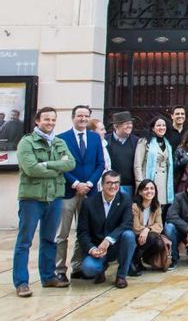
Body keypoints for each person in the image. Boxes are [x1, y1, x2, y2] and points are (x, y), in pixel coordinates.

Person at [13, 107, 76, 297]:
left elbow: (70, 163)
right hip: (32, 198)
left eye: (53, 119)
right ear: (37, 121)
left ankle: (48, 277)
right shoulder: (27, 142)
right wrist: (58, 168)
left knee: (49, 239)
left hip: (55, 197)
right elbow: (31, 169)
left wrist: (47, 165)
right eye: (46, 119)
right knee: (25, 241)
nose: (50, 123)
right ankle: (22, 282)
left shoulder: (58, 142)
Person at [56, 105, 105, 282]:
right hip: (69, 191)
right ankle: (60, 269)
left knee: (83, 230)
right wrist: (76, 184)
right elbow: (60, 166)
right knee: (63, 233)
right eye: (79, 116)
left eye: (86, 116)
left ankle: (77, 266)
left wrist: (90, 183)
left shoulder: (94, 138)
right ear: (72, 117)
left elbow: (100, 164)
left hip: (89, 192)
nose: (83, 119)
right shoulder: (61, 139)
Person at [77, 171, 136, 288]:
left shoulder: (125, 200)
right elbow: (82, 232)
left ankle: (121, 276)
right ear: (102, 185)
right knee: (89, 269)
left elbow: (127, 224)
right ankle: (101, 269)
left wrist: (109, 240)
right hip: (97, 248)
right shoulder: (89, 203)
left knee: (129, 235)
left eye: (116, 183)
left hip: (115, 245)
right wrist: (91, 249)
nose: (113, 186)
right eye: (109, 183)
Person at [131, 179, 172, 274]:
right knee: (153, 237)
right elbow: (135, 227)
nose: (149, 191)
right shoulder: (135, 206)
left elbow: (159, 225)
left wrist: (147, 229)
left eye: (152, 188)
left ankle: (143, 258)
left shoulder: (156, 206)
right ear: (140, 192)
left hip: (148, 236)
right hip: (135, 236)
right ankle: (134, 259)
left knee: (158, 243)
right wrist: (145, 230)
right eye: (146, 189)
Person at [134, 116, 174, 209]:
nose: (162, 127)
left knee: (161, 210)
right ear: (153, 128)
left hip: (164, 184)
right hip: (149, 182)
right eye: (158, 125)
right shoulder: (144, 141)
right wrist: (140, 183)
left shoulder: (167, 143)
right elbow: (137, 165)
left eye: (164, 125)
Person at [106, 111, 138, 198]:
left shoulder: (136, 141)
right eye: (126, 123)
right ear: (116, 126)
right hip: (110, 186)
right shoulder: (105, 141)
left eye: (130, 123)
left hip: (130, 186)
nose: (130, 126)